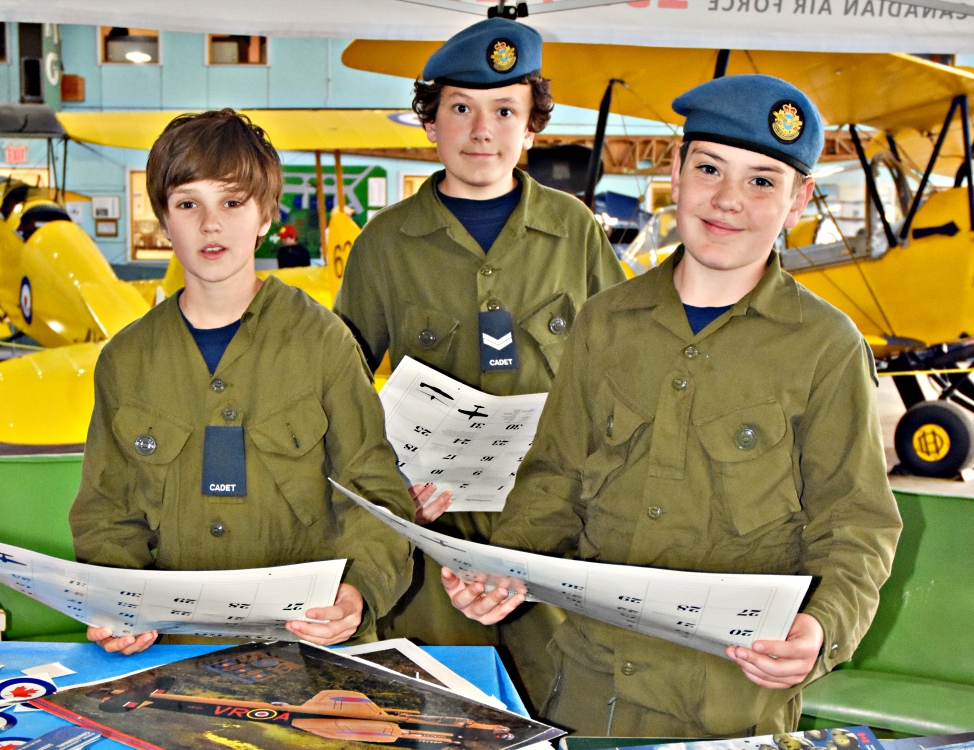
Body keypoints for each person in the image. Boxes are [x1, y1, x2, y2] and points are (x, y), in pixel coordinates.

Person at [442, 74, 903, 736]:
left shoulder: (826, 348)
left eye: (762, 181)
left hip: (732, 699)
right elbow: (553, 481)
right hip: (587, 687)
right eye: (710, 168)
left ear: (800, 200)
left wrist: (821, 628)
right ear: (677, 172)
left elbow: (857, 524)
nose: (727, 200)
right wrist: (504, 570)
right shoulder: (605, 323)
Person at [333, 16, 626, 711]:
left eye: (505, 111)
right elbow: (339, 389)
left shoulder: (576, 234)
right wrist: (381, 479)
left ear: (531, 131)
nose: (482, 129)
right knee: (437, 710)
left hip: (551, 540)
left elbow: (625, 370)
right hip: (433, 541)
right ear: (430, 124)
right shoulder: (385, 245)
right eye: (460, 108)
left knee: (561, 705)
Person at [69, 109, 416, 655]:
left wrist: (358, 593)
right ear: (164, 219)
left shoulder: (323, 343)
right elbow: (107, 513)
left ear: (264, 217)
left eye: (232, 202)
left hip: (309, 650)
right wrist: (118, 600)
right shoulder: (126, 361)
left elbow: (377, 497)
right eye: (188, 204)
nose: (211, 224)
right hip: (172, 652)